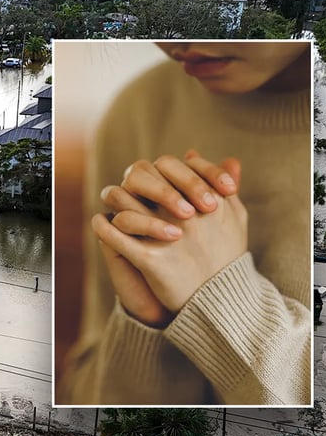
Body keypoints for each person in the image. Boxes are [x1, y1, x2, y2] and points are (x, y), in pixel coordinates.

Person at [58, 42, 312, 405]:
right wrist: (146, 322)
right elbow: (82, 402)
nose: (176, 41)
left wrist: (221, 292)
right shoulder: (141, 108)